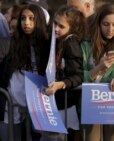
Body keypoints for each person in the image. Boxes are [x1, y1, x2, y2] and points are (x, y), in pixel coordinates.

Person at [81, 4, 114, 141]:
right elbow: (80, 74)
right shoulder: (87, 43)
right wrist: (99, 67)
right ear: (99, 23)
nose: (110, 29)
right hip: (92, 100)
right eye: (106, 24)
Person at [0, 4, 50, 141]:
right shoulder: (10, 43)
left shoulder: (47, 45)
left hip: (37, 105)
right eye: (23, 18)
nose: (26, 23)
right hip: (12, 105)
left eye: (31, 18)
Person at [38, 5, 86, 141]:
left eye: (61, 26)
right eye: (55, 24)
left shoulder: (71, 43)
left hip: (63, 105)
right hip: (52, 102)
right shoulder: (55, 40)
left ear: (72, 28)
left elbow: (78, 76)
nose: (56, 28)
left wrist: (61, 84)